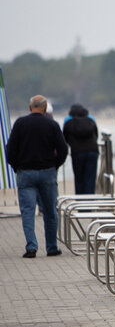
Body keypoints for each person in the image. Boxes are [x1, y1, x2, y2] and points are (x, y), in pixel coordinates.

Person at [6, 95, 68, 258]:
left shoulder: (20, 124)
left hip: (25, 172)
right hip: (47, 171)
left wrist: (16, 166)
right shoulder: (52, 125)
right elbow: (63, 149)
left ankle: (31, 246)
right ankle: (52, 247)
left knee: (27, 211)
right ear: (45, 107)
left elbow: (10, 149)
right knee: (50, 211)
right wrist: (55, 165)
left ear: (30, 107)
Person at [62, 103, 99, 194]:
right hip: (92, 151)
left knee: (79, 179)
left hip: (77, 152)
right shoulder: (90, 120)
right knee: (90, 179)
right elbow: (96, 134)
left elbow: (64, 139)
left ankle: (80, 202)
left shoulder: (68, 122)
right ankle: (89, 203)